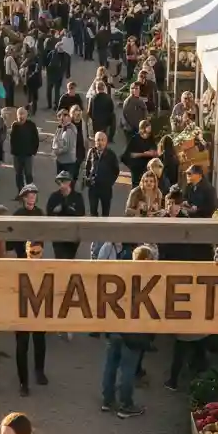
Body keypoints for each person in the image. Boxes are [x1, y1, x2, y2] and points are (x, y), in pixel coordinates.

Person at [101, 247, 155, 418]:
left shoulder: (121, 274)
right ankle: (126, 405)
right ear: (146, 261)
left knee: (110, 365)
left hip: (115, 328)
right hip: (133, 332)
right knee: (128, 370)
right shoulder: (148, 280)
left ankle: (107, 400)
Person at [14, 242, 48, 395]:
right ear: (26, 251)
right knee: (22, 347)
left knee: (39, 342)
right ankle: (23, 383)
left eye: (38, 253)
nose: (35, 256)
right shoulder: (18, 267)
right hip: (21, 312)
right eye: (32, 253)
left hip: (39, 311)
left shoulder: (47, 267)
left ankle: (39, 370)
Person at [46, 170, 86, 259]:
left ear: (69, 182)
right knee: (59, 257)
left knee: (70, 257)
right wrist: (56, 211)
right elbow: (48, 214)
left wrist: (71, 210)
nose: (62, 185)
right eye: (60, 182)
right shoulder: (54, 197)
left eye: (64, 181)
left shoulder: (77, 197)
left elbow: (82, 213)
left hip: (73, 233)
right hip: (58, 233)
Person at [85, 131, 120, 217]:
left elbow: (116, 171)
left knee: (105, 213)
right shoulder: (91, 152)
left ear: (106, 141)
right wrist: (88, 179)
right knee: (93, 212)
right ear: (95, 141)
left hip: (106, 188)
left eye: (102, 140)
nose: (100, 142)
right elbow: (87, 167)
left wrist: (109, 182)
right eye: (98, 140)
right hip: (93, 187)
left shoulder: (111, 155)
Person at [9, 107, 39, 193]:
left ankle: (30, 192)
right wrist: (13, 151)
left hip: (28, 155)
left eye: (23, 114)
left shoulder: (31, 125)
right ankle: (20, 192)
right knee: (18, 174)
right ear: (17, 116)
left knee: (28, 174)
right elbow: (12, 139)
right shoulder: (15, 126)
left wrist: (34, 151)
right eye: (19, 114)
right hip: (17, 155)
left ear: (26, 115)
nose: (21, 116)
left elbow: (35, 139)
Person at [51, 108, 78, 181]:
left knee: (67, 184)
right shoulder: (60, 128)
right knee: (61, 183)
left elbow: (66, 147)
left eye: (65, 115)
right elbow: (55, 140)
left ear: (69, 117)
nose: (61, 118)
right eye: (59, 116)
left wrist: (56, 151)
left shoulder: (70, 129)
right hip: (60, 161)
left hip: (68, 162)